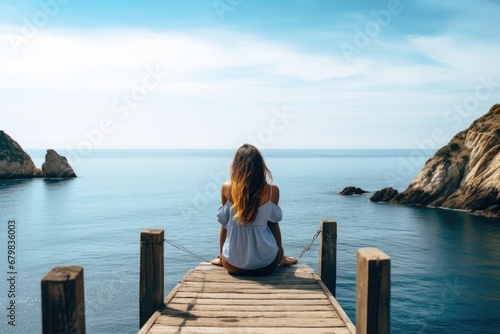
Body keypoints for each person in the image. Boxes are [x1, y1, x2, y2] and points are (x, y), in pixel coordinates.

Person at [211, 144, 297, 275]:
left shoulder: (226, 188)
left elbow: (225, 225)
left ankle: (221, 257)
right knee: (274, 235)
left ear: (236, 165)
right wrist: (280, 255)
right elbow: (274, 225)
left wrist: (222, 256)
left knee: (227, 222)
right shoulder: (272, 191)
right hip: (266, 265)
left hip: (232, 265)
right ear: (260, 166)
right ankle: (282, 258)